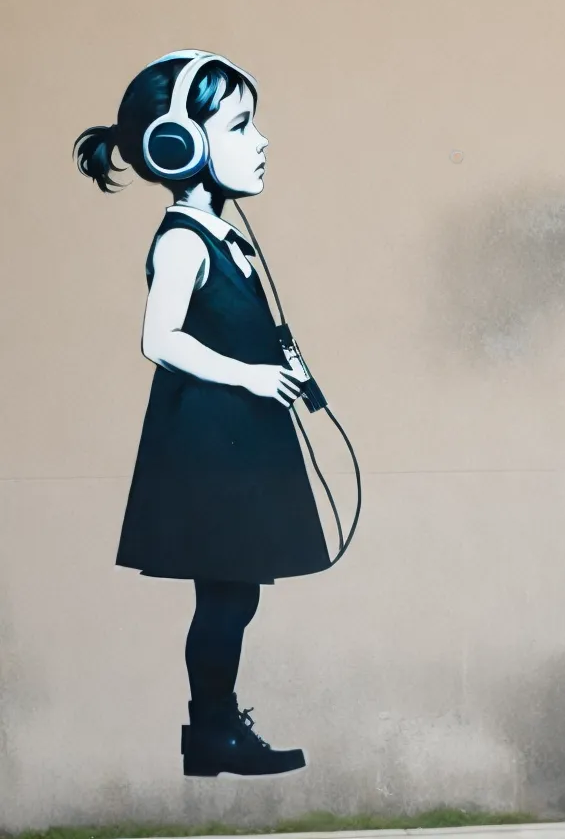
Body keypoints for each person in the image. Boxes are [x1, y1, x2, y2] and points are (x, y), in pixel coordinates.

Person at [73, 50, 331, 777]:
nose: (262, 142)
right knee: (224, 595)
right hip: (207, 446)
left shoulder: (224, 236)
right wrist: (249, 376)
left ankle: (214, 728)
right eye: (242, 126)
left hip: (233, 441)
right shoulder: (185, 240)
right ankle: (211, 733)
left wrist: (281, 369)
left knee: (235, 593)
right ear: (178, 146)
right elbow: (159, 339)